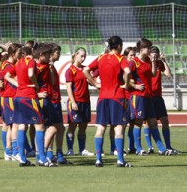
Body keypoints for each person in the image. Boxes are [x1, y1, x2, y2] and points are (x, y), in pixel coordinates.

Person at [83, 35, 132, 167]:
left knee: (101, 128)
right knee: (119, 128)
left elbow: (85, 70)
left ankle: (98, 159)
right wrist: (126, 85)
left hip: (103, 97)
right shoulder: (120, 58)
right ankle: (120, 160)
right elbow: (127, 72)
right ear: (119, 46)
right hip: (117, 97)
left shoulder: (101, 58)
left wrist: (94, 83)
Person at [5, 44, 55, 167]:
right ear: (33, 51)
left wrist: (19, 85)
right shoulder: (31, 61)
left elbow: (7, 76)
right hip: (29, 97)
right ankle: (42, 158)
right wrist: (36, 85)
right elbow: (31, 74)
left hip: (18, 97)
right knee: (40, 126)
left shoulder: (18, 62)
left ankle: (22, 158)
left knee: (22, 126)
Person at [129, 38, 170, 156]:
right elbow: (124, 76)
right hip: (138, 96)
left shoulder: (147, 61)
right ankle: (139, 148)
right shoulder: (133, 62)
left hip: (148, 96)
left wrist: (152, 62)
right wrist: (134, 85)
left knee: (152, 122)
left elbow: (153, 74)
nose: (150, 50)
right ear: (142, 49)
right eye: (148, 48)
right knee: (138, 122)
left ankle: (161, 148)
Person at [148, 46, 179, 155]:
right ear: (149, 54)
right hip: (148, 96)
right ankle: (150, 147)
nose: (154, 56)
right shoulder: (146, 63)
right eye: (153, 54)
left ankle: (168, 146)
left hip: (158, 96)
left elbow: (169, 74)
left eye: (156, 54)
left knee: (165, 120)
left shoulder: (159, 64)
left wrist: (164, 61)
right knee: (149, 123)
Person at [65, 47, 94, 156]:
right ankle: (70, 149)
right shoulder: (70, 70)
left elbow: (91, 82)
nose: (83, 58)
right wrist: (73, 102)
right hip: (76, 101)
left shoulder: (85, 69)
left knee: (83, 126)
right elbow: (68, 87)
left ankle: (82, 149)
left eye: (84, 56)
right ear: (75, 55)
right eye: (81, 56)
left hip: (85, 101)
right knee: (72, 125)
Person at [0, 43, 22, 161]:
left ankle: (9, 151)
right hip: (11, 97)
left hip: (8, 97)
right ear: (13, 54)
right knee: (14, 125)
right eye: (19, 53)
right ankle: (14, 151)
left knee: (10, 126)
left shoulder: (4, 64)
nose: (21, 55)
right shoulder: (8, 66)